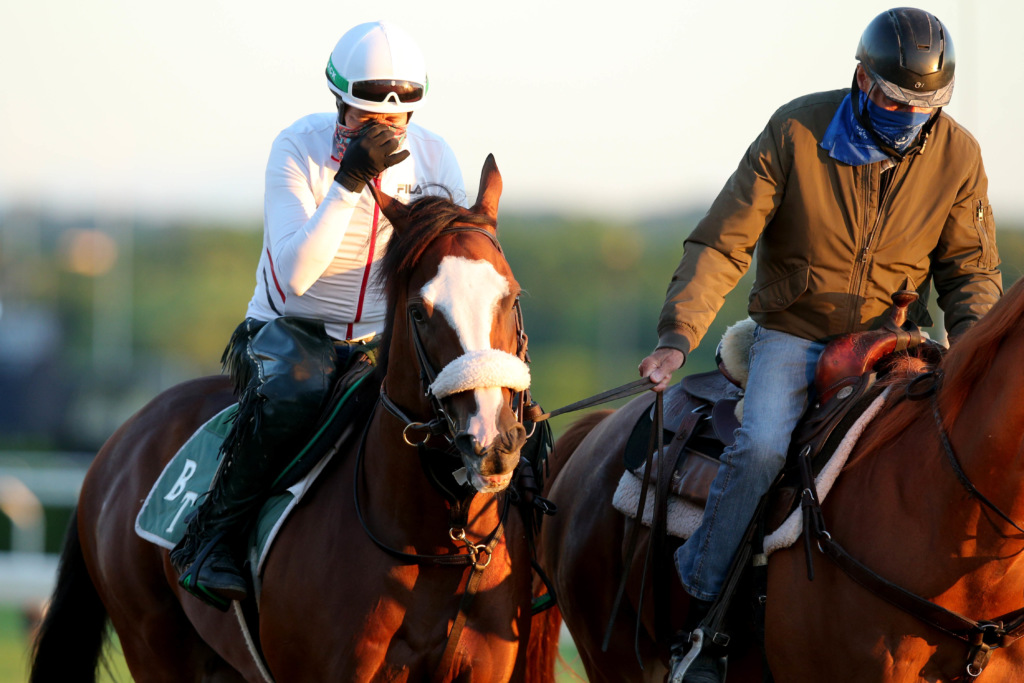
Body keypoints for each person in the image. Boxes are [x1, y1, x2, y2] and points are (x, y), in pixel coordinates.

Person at [638, 8, 1001, 682]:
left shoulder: (959, 155)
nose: (912, 117)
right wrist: (676, 334)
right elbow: (723, 242)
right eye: (897, 101)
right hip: (794, 334)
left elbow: (971, 274)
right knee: (765, 446)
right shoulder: (795, 129)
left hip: (896, 339)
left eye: (929, 106)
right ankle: (704, 615)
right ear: (862, 80)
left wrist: (977, 362)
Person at [170, 20, 466, 608]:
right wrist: (349, 181)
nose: (379, 131)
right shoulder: (296, 148)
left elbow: (452, 267)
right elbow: (297, 273)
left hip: (384, 339)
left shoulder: (436, 159)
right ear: (338, 103)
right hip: (288, 331)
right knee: (295, 390)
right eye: (361, 117)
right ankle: (212, 540)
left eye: (394, 122)